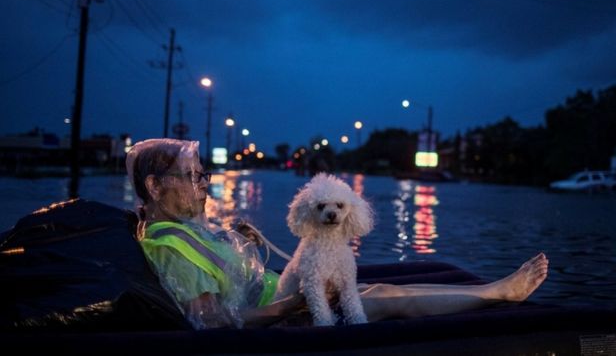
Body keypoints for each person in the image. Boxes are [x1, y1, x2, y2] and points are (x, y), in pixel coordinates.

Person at [126, 138, 549, 329]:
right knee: (378, 297)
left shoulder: (182, 229)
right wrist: (289, 306)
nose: (204, 184)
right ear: (155, 186)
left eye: (203, 175)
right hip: (279, 319)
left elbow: (226, 279)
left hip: (277, 296)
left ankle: (492, 291)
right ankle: (499, 293)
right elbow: (212, 322)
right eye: (192, 176)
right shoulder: (168, 244)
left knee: (377, 285)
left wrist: (243, 241)